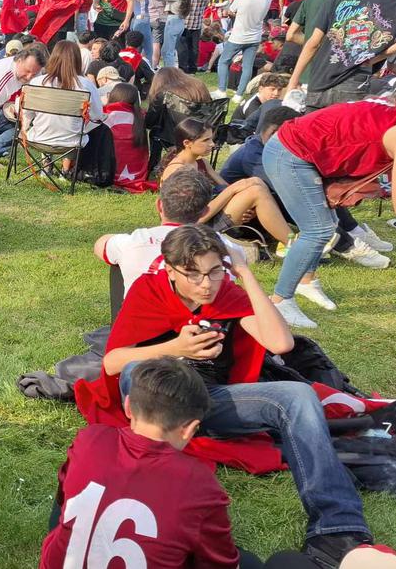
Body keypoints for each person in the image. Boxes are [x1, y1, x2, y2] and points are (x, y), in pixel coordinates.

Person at [78, 225, 373, 569]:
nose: (205, 284)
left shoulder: (227, 293)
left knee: (299, 396)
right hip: (161, 400)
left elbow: (281, 344)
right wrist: (176, 348)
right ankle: (145, 466)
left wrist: (244, 273)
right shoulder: (150, 289)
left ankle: (338, 526)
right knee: (134, 373)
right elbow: (113, 363)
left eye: (214, 271)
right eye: (193, 274)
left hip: (211, 399)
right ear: (171, 270)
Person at [42, 358, 245, 568]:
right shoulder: (200, 485)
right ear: (189, 428)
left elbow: (63, 499)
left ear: (128, 406)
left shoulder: (90, 438)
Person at [262, 93, 396, 325]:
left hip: (298, 149)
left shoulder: (393, 109)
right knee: (318, 230)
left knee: (326, 226)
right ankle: (280, 301)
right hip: (290, 153)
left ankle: (306, 281)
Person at [287, 0, 396, 111]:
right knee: (342, 132)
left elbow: (314, 42)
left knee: (311, 131)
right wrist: (378, 56)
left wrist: (293, 80)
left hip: (320, 77)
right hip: (355, 80)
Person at [159, 118, 295, 250]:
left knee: (256, 184)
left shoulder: (202, 163)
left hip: (211, 216)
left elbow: (226, 188)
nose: (212, 144)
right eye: (206, 140)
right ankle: (295, 246)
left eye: (211, 139)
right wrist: (235, 190)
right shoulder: (176, 171)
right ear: (187, 143)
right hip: (190, 229)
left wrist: (246, 205)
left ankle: (293, 242)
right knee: (256, 191)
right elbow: (194, 218)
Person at [94, 168, 214, 294]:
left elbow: (100, 245)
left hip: (141, 311)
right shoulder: (222, 247)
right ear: (205, 212)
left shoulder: (134, 241)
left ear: (159, 205)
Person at [24, 40, 104, 149]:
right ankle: (71, 165)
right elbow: (97, 115)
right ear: (77, 60)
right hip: (72, 141)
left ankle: (46, 159)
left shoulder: (37, 82)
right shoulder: (85, 85)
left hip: (39, 137)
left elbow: (27, 113)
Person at [215, 0, 271, 100]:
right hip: (255, 36)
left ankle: (222, 90)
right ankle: (239, 94)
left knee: (223, 61)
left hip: (239, 35)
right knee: (247, 66)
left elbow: (231, 11)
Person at [103, 82, 155, 193]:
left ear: (113, 96)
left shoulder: (105, 114)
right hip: (136, 174)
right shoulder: (141, 117)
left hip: (107, 172)